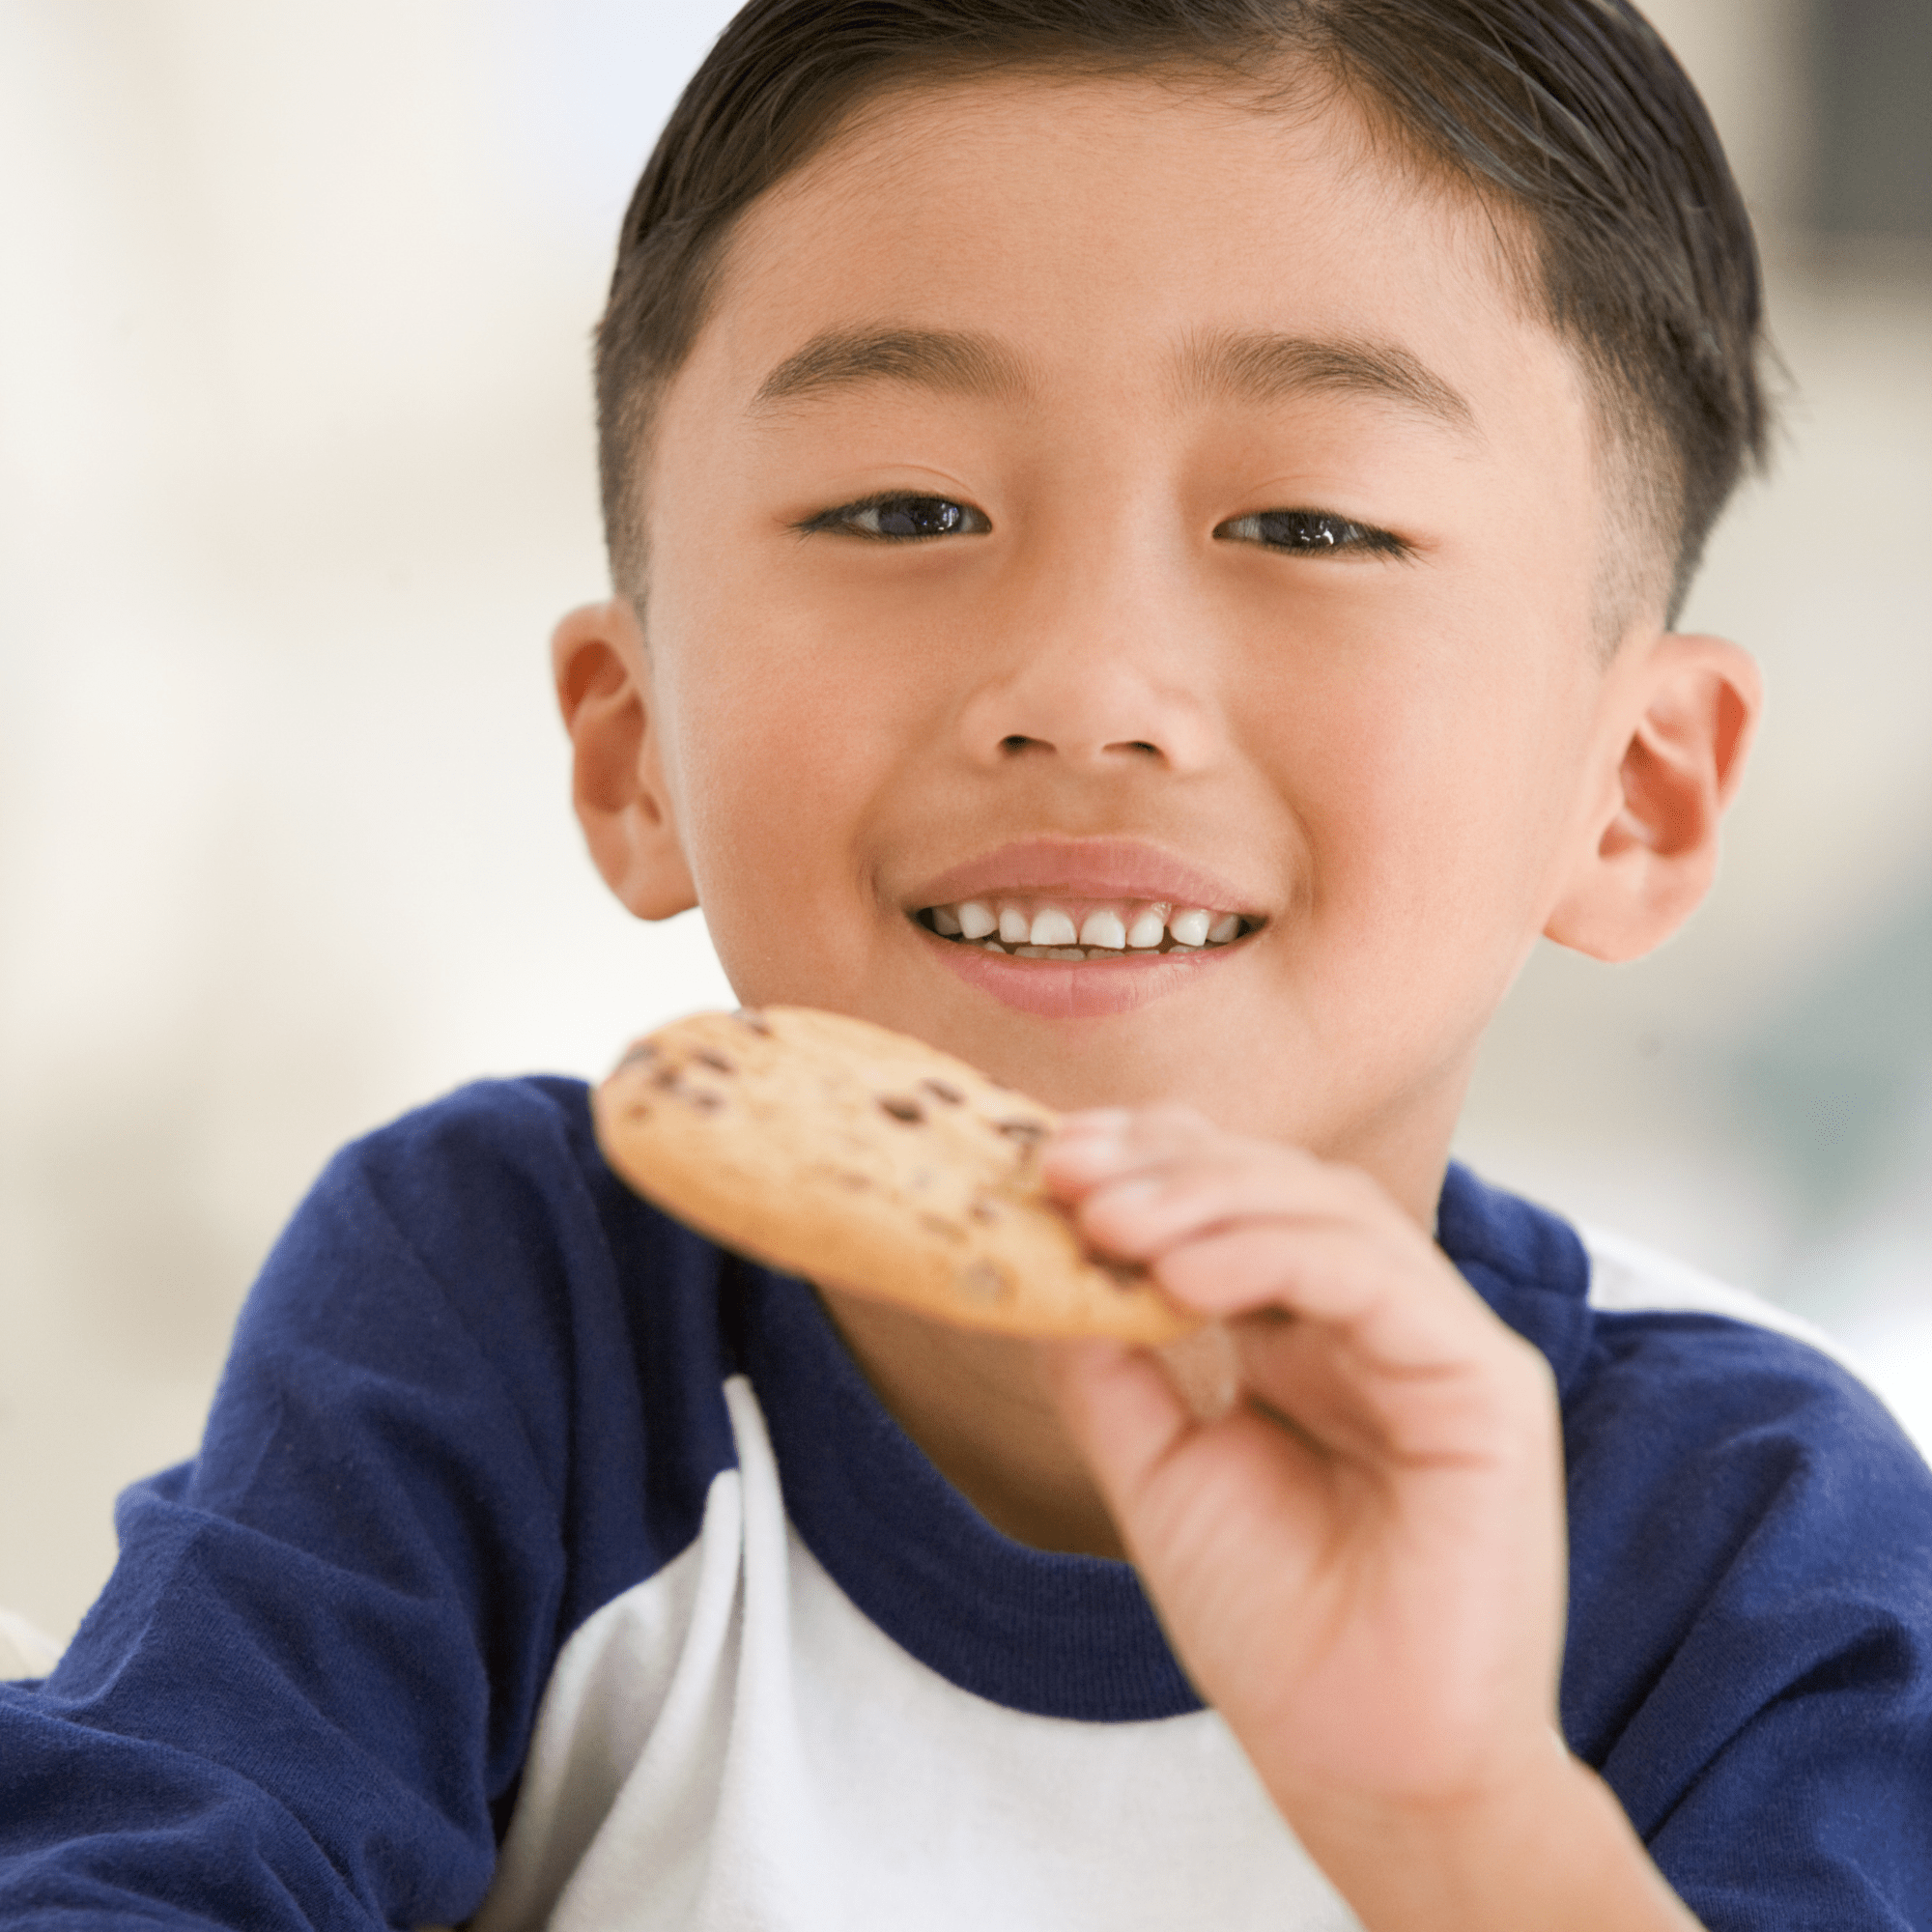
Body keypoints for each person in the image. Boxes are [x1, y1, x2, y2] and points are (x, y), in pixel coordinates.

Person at [4, 1, 1929, 1925]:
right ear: (631, 746)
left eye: (1310, 522)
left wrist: (1456, 1814)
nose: (1086, 687)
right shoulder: (509, 1313)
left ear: (1636, 796)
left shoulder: (1757, 1546)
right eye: (901, 509)